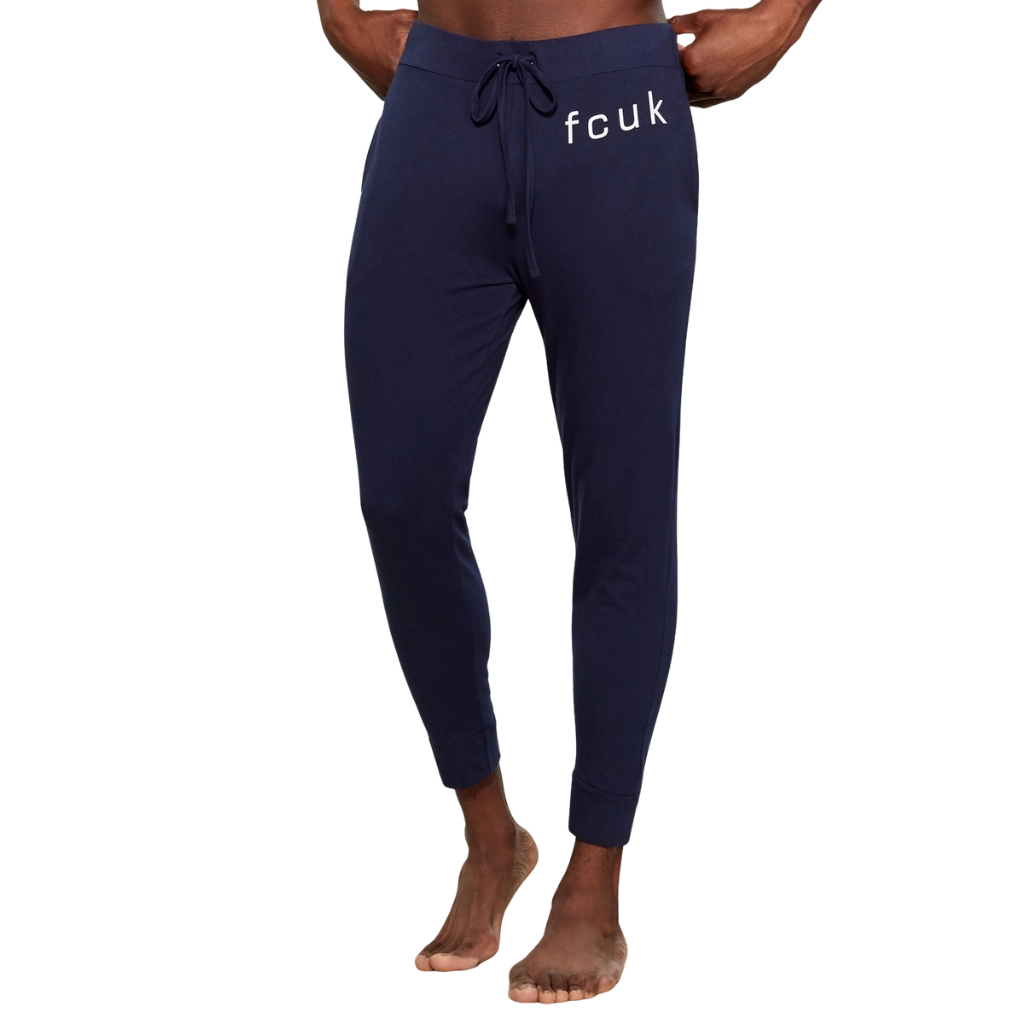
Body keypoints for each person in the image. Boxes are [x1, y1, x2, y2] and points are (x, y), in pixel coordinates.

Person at [319, 0, 822, 1005]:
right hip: (440, 100)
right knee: (402, 492)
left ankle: (594, 877)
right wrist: (338, 13)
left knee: (622, 506)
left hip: (617, 107)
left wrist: (785, 14)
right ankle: (489, 830)